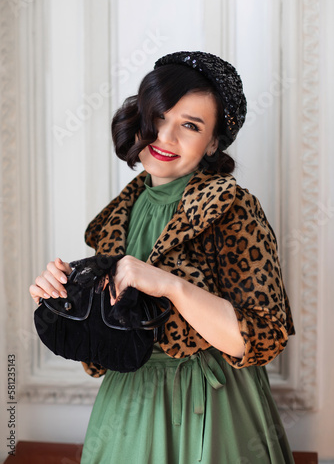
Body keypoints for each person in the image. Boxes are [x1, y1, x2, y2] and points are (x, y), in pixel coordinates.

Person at [30, 51, 295, 463]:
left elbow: (261, 338)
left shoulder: (232, 206)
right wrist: (64, 301)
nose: (165, 137)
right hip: (127, 407)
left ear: (212, 143)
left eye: (190, 125)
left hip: (212, 406)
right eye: (159, 117)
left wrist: (171, 286)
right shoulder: (118, 215)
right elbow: (103, 352)